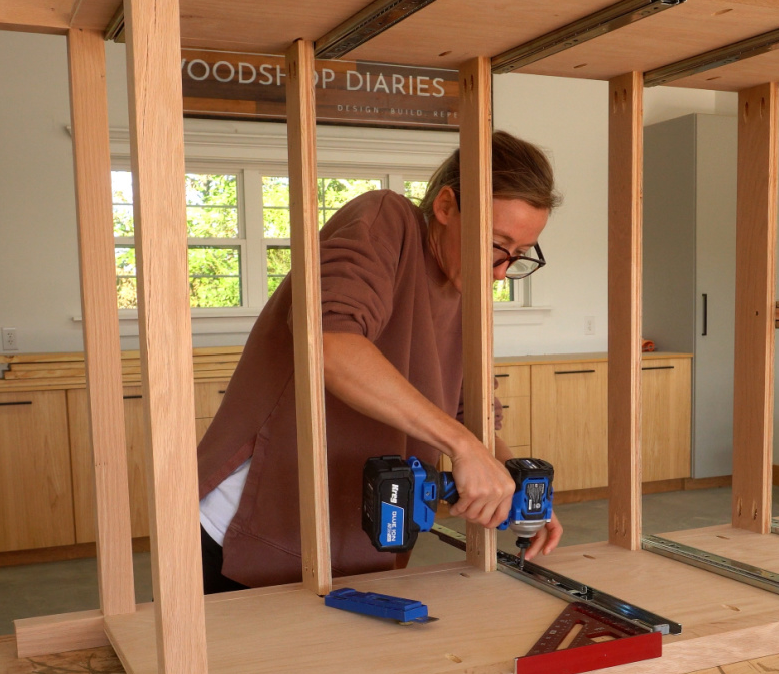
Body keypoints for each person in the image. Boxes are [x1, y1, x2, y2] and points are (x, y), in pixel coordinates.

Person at [196, 131, 564, 593]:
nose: (500, 271)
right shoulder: (386, 220)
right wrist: (464, 449)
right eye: (496, 244)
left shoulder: (466, 292)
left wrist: (519, 487)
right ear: (447, 207)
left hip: (358, 535)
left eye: (517, 256)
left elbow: (469, 415)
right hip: (252, 525)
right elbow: (330, 343)